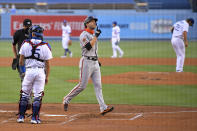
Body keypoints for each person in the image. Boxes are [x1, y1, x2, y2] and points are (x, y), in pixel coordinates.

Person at [63, 16, 114, 115]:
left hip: (95, 63)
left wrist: (97, 59)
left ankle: (103, 107)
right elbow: (88, 46)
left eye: (95, 21)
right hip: (86, 62)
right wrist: (96, 36)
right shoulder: (83, 35)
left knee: (98, 85)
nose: (95, 22)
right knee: (82, 86)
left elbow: (94, 50)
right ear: (87, 24)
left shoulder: (92, 35)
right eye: (92, 21)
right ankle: (66, 99)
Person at [17, 25, 52, 124]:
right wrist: (47, 77)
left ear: (32, 33)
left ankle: (21, 117)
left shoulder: (25, 44)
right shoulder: (46, 46)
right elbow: (48, 64)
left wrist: (23, 72)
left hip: (28, 71)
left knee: (24, 94)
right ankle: (34, 118)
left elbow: (20, 62)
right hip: (40, 72)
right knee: (38, 96)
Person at [12, 19, 32, 110]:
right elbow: (14, 44)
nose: (28, 28)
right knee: (24, 79)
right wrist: (16, 56)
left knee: (30, 79)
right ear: (23, 25)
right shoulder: (18, 33)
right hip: (21, 60)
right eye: (26, 26)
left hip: (31, 60)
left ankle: (27, 99)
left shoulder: (33, 33)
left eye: (29, 26)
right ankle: (25, 100)